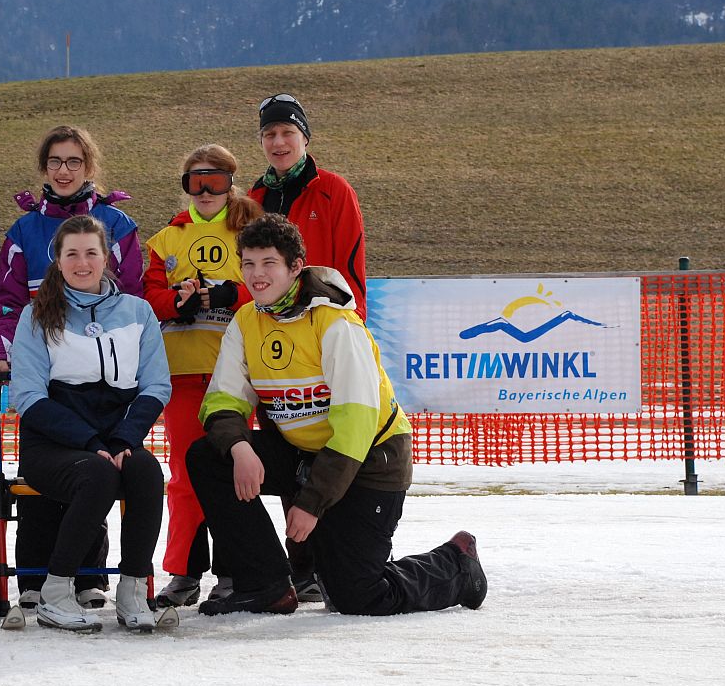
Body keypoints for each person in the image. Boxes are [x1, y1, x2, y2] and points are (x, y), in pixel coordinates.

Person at [187, 214, 486, 618]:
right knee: (209, 455)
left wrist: (311, 503)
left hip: (368, 461)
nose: (257, 275)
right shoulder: (246, 320)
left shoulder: (335, 323)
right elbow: (222, 397)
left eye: (269, 264)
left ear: (295, 267)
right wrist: (239, 446)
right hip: (303, 456)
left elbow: (355, 428)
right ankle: (267, 586)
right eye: (249, 264)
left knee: (356, 596)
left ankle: (456, 563)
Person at [0, 125, 140, 611]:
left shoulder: (117, 224)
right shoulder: (24, 231)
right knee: (46, 473)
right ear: (44, 168)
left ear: (88, 166)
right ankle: (32, 577)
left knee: (97, 465)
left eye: (74, 161)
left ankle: (89, 575)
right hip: (40, 373)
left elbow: (131, 297)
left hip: (98, 375)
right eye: (55, 162)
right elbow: (7, 303)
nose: (64, 171)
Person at [9, 215, 172, 632]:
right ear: (58, 260)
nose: (83, 263)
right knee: (97, 474)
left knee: (147, 471)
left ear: (107, 258)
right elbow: (28, 397)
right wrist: (90, 441)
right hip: (52, 444)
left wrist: (122, 440)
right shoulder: (36, 315)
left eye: (91, 253)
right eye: (72, 254)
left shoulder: (138, 312)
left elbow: (156, 385)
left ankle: (134, 592)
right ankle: (55, 592)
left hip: (115, 439)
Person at [250, 92, 368, 601]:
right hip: (273, 343)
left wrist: (350, 327)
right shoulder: (253, 196)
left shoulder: (333, 191)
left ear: (304, 138)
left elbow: (353, 265)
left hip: (326, 337)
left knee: (331, 443)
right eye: (269, 134)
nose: (278, 142)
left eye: (287, 133)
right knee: (284, 446)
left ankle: (337, 555)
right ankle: (301, 565)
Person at [142, 144, 261, 607]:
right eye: (195, 182)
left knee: (238, 472)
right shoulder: (165, 240)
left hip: (236, 374)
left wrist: (234, 293)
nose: (206, 190)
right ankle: (184, 571)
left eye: (215, 180)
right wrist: (179, 301)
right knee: (184, 475)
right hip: (184, 372)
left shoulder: (250, 231)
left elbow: (271, 288)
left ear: (231, 182)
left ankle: (234, 570)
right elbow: (147, 297)